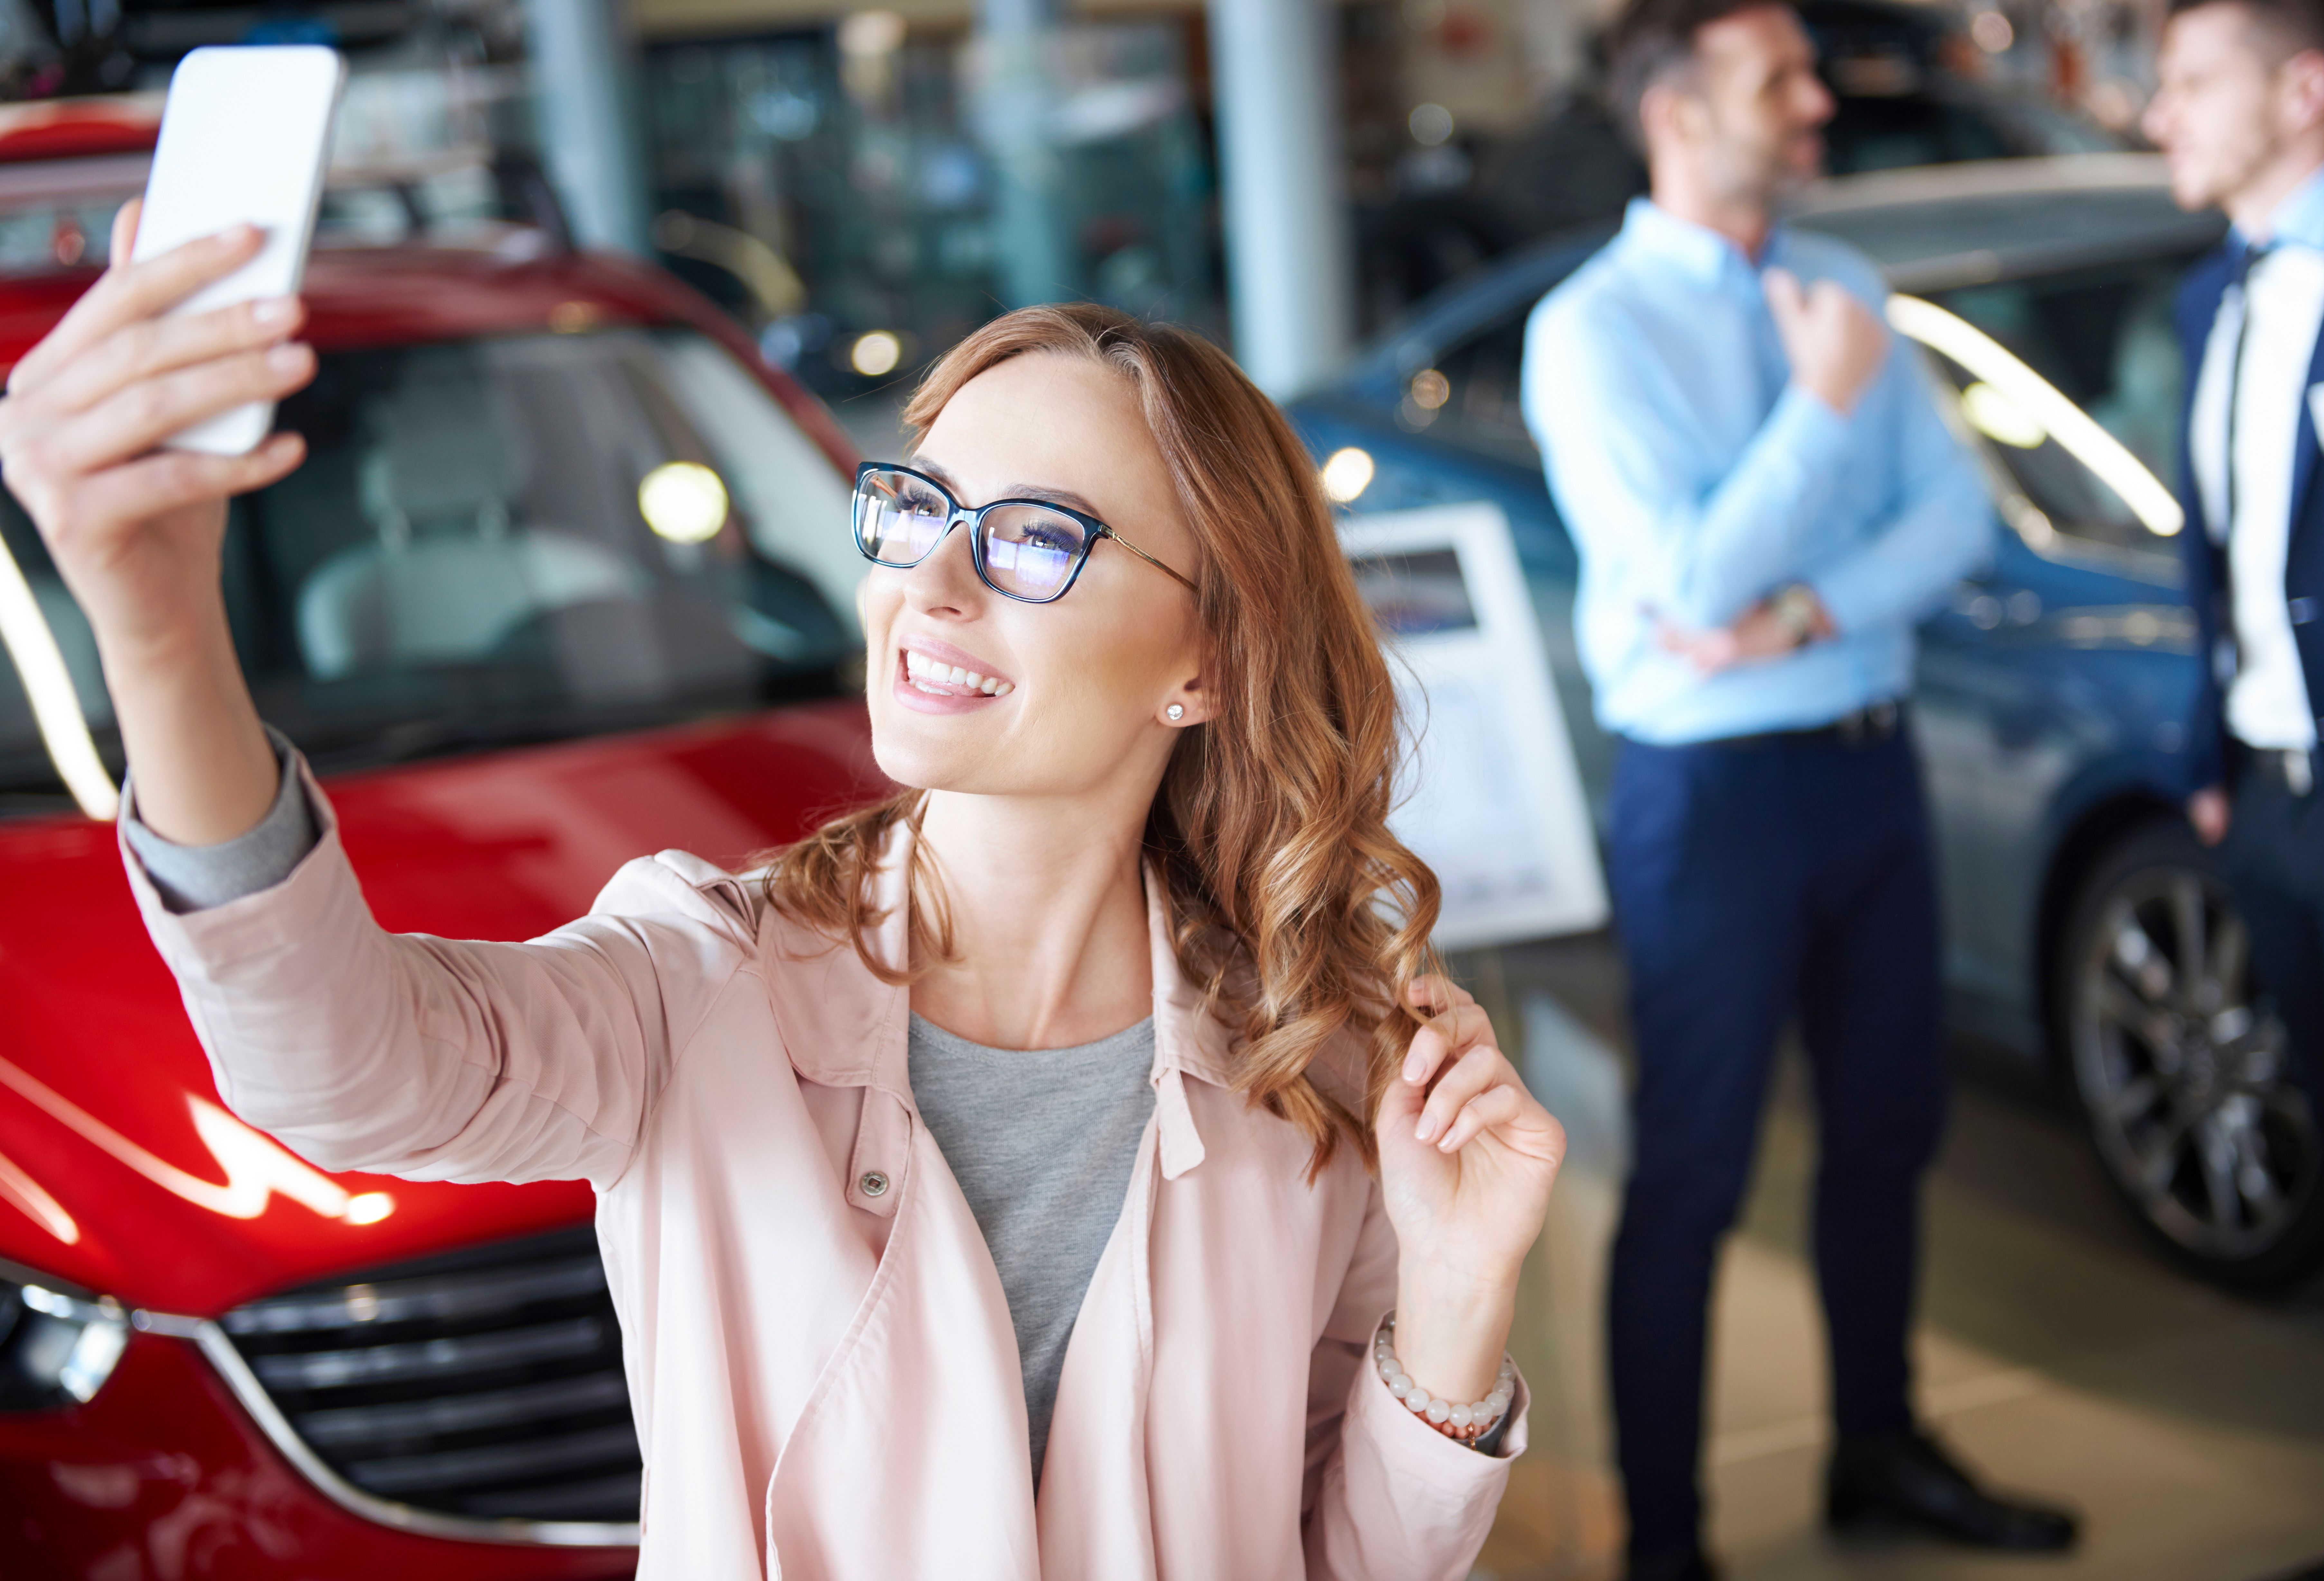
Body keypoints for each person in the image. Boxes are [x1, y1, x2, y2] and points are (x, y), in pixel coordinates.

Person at [0, 203, 1570, 1578]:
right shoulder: (705, 981)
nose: (927, 586)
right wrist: (152, 626)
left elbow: (1346, 1558)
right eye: (916, 507)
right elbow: (342, 1069)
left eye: (1031, 540)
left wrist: (1453, 1294)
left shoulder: (1319, 1062)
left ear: (1205, 661)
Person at [1518, 1, 2083, 1576]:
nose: (1817, 98)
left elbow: (1950, 526)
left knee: (1888, 1135)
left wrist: (1796, 614)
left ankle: (1877, 1451)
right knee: (1692, 1169)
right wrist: (1826, 409)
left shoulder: (1836, 285)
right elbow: (1684, 566)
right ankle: (1670, 1543)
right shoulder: (1595, 332)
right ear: (1679, 116)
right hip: (1709, 804)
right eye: (1781, 78)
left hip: (1863, 766)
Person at [2145, 0, 2324, 1573]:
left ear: (2305, 87)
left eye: (2187, 85)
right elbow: (2215, 557)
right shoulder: (2212, 292)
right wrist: (2210, 764)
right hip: (2277, 805)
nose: (2159, 117)